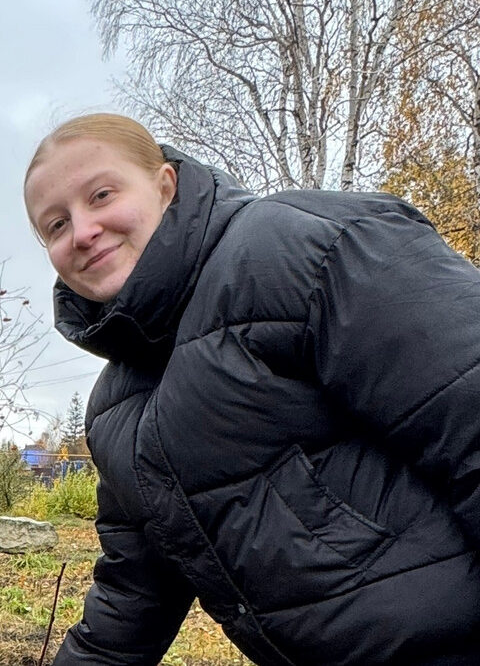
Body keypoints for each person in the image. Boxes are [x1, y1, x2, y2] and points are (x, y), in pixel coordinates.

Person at [24, 113, 480, 665]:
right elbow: (132, 595)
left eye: (100, 194)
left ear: (165, 184)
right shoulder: (116, 408)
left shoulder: (306, 249)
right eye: (55, 225)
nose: (83, 231)